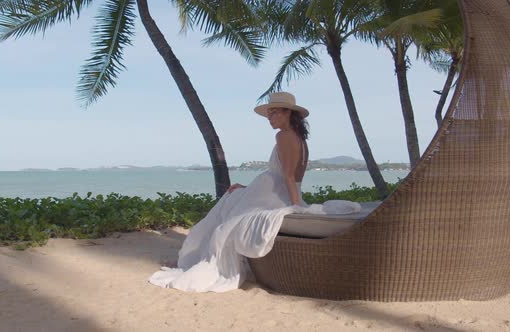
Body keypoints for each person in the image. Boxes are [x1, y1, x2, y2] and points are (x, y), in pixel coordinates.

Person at [148, 92, 360, 292]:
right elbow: (293, 178)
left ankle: (190, 260)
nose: (270, 118)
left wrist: (296, 206)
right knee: (230, 200)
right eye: (269, 114)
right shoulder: (298, 138)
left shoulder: (284, 136)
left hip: (273, 195)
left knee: (223, 218)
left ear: (288, 113)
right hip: (269, 192)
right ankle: (190, 259)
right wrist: (249, 189)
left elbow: (288, 176)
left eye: (274, 112)